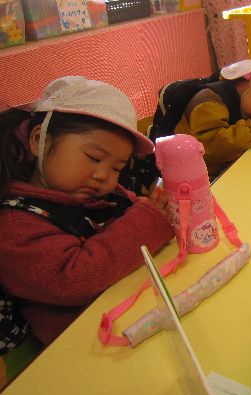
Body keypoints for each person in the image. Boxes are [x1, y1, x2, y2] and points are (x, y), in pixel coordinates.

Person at [0, 76, 174, 352]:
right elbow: (74, 278)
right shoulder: (14, 224)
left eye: (117, 167)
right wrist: (147, 222)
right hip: (83, 345)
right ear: (39, 140)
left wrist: (153, 208)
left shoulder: (88, 189)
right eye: (94, 157)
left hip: (129, 306)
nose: (104, 176)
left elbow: (132, 209)